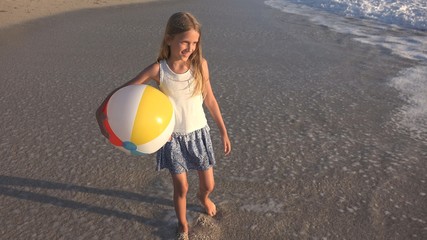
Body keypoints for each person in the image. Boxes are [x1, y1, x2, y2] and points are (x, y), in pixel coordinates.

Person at [96, 12, 231, 239]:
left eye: (195, 43)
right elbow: (125, 91)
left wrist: (223, 131)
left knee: (208, 184)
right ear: (169, 39)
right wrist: (102, 110)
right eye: (185, 42)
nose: (190, 47)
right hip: (172, 139)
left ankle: (204, 198)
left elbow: (210, 99)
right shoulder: (159, 70)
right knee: (181, 187)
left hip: (199, 134)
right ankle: (183, 226)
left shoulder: (200, 66)